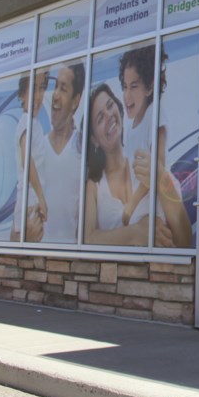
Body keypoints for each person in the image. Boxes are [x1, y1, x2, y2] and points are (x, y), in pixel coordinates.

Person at [83, 84, 176, 246]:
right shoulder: (94, 186)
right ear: (94, 140)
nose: (109, 116)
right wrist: (135, 233)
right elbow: (87, 238)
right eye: (99, 119)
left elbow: (179, 230)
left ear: (119, 109)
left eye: (110, 106)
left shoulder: (144, 162)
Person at [118, 46, 191, 247]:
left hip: (157, 194)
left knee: (158, 236)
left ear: (149, 88)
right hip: (139, 196)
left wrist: (131, 205)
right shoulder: (130, 124)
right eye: (124, 86)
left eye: (134, 86)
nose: (127, 95)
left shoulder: (154, 114)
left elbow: (156, 167)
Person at [25, 63, 85, 243]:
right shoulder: (36, 148)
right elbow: (17, 224)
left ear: (75, 100)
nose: (55, 95)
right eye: (55, 86)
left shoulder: (83, 148)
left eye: (63, 89)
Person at [11, 72, 49, 241]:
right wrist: (41, 197)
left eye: (41, 89)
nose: (38, 96)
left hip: (32, 201)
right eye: (33, 89)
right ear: (21, 95)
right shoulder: (26, 122)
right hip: (29, 202)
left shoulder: (34, 124)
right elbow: (27, 159)